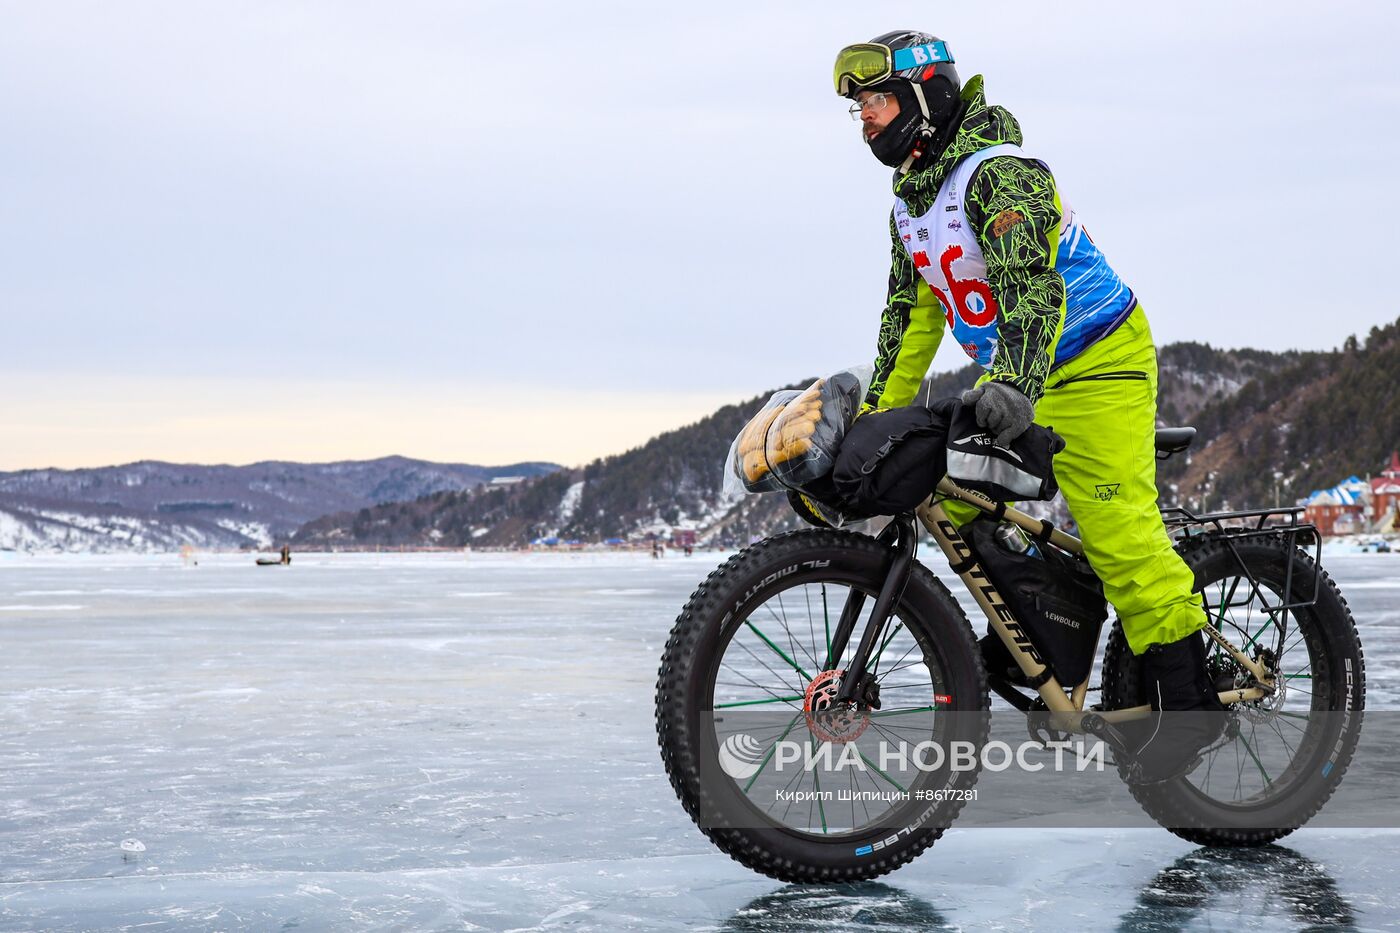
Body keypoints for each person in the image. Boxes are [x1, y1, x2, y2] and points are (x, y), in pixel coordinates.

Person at [833, 31, 1223, 782]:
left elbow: (1033, 292)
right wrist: (876, 414)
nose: (867, 120)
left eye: (877, 101)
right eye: (859, 110)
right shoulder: (911, 207)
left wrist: (1010, 380)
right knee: (952, 486)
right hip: (1022, 374)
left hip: (1096, 361)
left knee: (1121, 537)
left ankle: (1192, 700)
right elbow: (909, 322)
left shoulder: (998, 176)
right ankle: (1051, 620)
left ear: (925, 97)